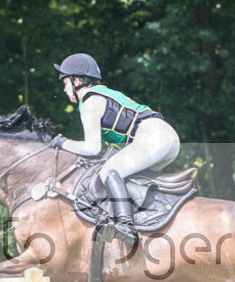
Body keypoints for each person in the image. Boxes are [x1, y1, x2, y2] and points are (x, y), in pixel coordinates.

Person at [51, 53, 180, 245]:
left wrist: (63, 143)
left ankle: (126, 226)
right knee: (124, 176)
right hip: (166, 139)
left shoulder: (89, 101)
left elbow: (92, 148)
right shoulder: (104, 92)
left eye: (65, 82)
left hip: (154, 137)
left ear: (77, 80)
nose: (64, 89)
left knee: (110, 171)